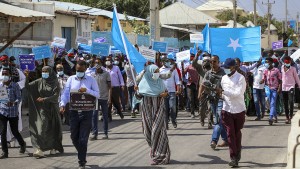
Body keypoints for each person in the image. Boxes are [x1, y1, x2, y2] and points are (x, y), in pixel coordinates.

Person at [60, 61, 99, 169]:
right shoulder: (71, 79)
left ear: (85, 69)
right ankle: (82, 152)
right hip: (74, 112)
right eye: (77, 70)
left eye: (81, 71)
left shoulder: (91, 80)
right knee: (73, 137)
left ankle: (81, 161)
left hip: (87, 112)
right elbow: (66, 94)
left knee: (83, 138)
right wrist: (62, 104)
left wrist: (87, 90)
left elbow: (97, 94)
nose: (79, 72)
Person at [25, 66, 64, 158]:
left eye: (46, 71)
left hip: (53, 108)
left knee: (53, 128)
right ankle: (39, 149)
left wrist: (44, 99)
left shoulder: (55, 82)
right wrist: (26, 77)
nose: (44, 73)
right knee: (42, 127)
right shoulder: (39, 81)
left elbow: (56, 96)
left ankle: (53, 147)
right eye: (43, 71)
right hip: (43, 109)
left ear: (50, 72)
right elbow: (28, 87)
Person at [138, 64, 170, 165]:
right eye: (155, 71)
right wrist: (136, 91)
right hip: (146, 111)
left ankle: (160, 156)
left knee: (157, 131)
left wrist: (165, 94)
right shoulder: (143, 82)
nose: (157, 73)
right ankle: (154, 150)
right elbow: (138, 97)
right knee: (147, 133)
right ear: (150, 72)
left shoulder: (160, 82)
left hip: (158, 110)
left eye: (157, 71)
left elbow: (166, 92)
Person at [217, 58, 246, 167]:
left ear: (234, 67)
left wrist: (223, 92)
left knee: (237, 133)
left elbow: (237, 93)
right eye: (225, 68)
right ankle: (233, 157)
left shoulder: (241, 78)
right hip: (227, 110)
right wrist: (220, 94)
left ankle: (238, 152)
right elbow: (223, 94)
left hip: (238, 109)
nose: (226, 70)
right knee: (230, 134)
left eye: (228, 68)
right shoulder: (223, 78)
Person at [199, 55, 228, 149]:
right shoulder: (208, 73)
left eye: (214, 61)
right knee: (220, 121)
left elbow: (228, 87)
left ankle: (214, 140)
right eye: (211, 62)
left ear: (218, 62)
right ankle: (226, 139)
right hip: (211, 99)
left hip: (220, 99)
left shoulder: (224, 73)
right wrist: (199, 95)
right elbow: (203, 84)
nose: (212, 63)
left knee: (218, 120)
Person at [0, 55, 26, 147]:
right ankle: (5, 143)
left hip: (14, 101)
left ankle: (15, 139)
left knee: (14, 124)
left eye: (6, 60)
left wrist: (16, 86)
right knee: (3, 127)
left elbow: (24, 80)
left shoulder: (16, 70)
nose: (5, 62)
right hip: (2, 104)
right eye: (3, 61)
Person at [90, 64, 111, 140]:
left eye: (97, 68)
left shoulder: (106, 74)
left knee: (105, 116)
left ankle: (105, 133)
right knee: (94, 115)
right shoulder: (93, 75)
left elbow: (109, 86)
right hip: (95, 98)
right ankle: (95, 133)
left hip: (104, 98)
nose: (96, 69)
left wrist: (109, 98)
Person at [160, 57, 180, 129]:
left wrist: (178, 89)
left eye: (168, 61)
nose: (167, 62)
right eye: (166, 61)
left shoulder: (173, 69)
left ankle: (173, 119)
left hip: (172, 91)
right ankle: (166, 123)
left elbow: (177, 80)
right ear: (163, 62)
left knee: (172, 107)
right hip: (163, 92)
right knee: (165, 108)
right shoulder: (160, 70)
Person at [261, 57, 282, 125]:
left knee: (272, 103)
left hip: (275, 89)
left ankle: (270, 117)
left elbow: (280, 80)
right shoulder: (265, 71)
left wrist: (279, 88)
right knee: (271, 103)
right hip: (268, 89)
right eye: (266, 62)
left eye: (268, 62)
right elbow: (263, 78)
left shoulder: (276, 70)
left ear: (271, 62)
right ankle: (275, 116)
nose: (267, 63)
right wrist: (262, 81)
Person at [281, 56, 300, 124]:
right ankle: (287, 117)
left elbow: (296, 78)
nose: (287, 63)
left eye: (288, 62)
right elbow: (281, 77)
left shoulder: (293, 69)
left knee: (291, 101)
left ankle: (291, 116)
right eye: (286, 62)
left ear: (290, 62)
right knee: (285, 103)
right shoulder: (282, 68)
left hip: (291, 86)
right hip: (284, 87)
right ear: (284, 62)